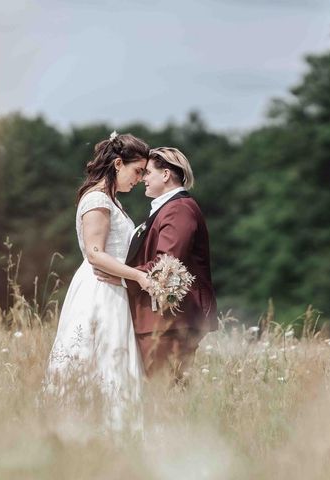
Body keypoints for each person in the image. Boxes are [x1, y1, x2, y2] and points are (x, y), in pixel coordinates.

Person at [44, 132, 152, 428]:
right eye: (137, 171)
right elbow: (94, 253)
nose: (140, 178)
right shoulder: (97, 199)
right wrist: (138, 277)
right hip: (99, 290)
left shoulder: (110, 200)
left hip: (113, 287)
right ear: (118, 163)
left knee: (113, 362)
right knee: (97, 360)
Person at [97, 147, 217, 380]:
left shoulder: (178, 209)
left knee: (165, 392)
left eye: (148, 172)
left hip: (170, 318)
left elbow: (167, 262)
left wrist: (124, 276)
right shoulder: (169, 208)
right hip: (163, 318)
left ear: (166, 175)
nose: (143, 179)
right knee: (165, 391)